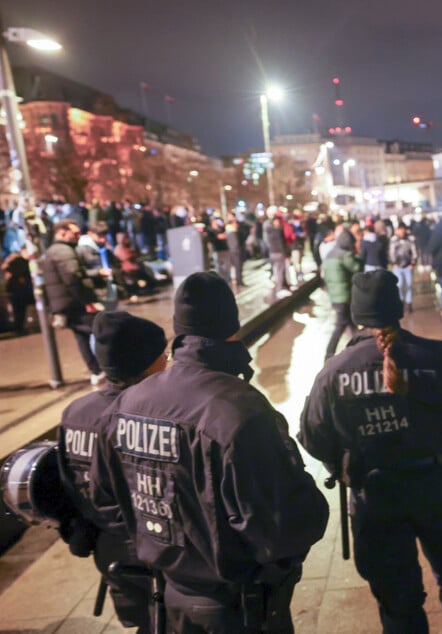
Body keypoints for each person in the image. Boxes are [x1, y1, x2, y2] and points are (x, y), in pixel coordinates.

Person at [89, 272, 328, 632]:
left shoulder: (126, 405)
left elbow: (106, 497)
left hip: (170, 596)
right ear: (232, 328)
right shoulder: (239, 410)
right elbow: (283, 526)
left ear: (179, 330)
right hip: (238, 606)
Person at [298, 270, 442, 633]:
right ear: (397, 308)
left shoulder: (334, 372)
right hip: (436, 488)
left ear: (357, 316)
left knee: (397, 601)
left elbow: (312, 434)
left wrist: (338, 464)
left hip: (374, 498)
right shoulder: (436, 358)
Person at [57, 312, 168, 633]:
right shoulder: (146, 417)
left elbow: (69, 483)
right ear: (146, 362)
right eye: (163, 354)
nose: (167, 360)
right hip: (155, 549)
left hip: (108, 548)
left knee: (143, 623)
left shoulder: (74, 413)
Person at [42, 220, 104, 383]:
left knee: (82, 336)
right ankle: (108, 368)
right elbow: (73, 277)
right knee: (101, 330)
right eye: (75, 233)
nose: (78, 236)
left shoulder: (53, 251)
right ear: (62, 233)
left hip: (66, 303)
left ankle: (96, 371)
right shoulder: (63, 251)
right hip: (76, 302)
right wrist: (88, 301)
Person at [323, 228, 364, 360]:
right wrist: (358, 254)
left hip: (334, 296)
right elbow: (357, 269)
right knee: (341, 324)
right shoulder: (345, 255)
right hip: (345, 295)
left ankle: (358, 347)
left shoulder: (329, 254)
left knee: (351, 323)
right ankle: (329, 353)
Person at [388, 222, 418, 313]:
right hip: (397, 266)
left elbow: (414, 252)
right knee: (399, 285)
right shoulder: (393, 240)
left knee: (408, 285)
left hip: (408, 266)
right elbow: (391, 252)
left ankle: (409, 303)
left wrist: (412, 263)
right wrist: (393, 263)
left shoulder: (410, 240)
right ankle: (400, 302)